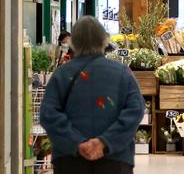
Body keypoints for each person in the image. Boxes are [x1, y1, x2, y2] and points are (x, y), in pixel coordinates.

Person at [40, 16, 145, 174]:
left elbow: (48, 114)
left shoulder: (61, 74)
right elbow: (136, 110)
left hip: (70, 160)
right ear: (104, 40)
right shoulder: (122, 73)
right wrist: (104, 142)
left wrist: (77, 143)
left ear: (73, 42)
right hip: (115, 159)